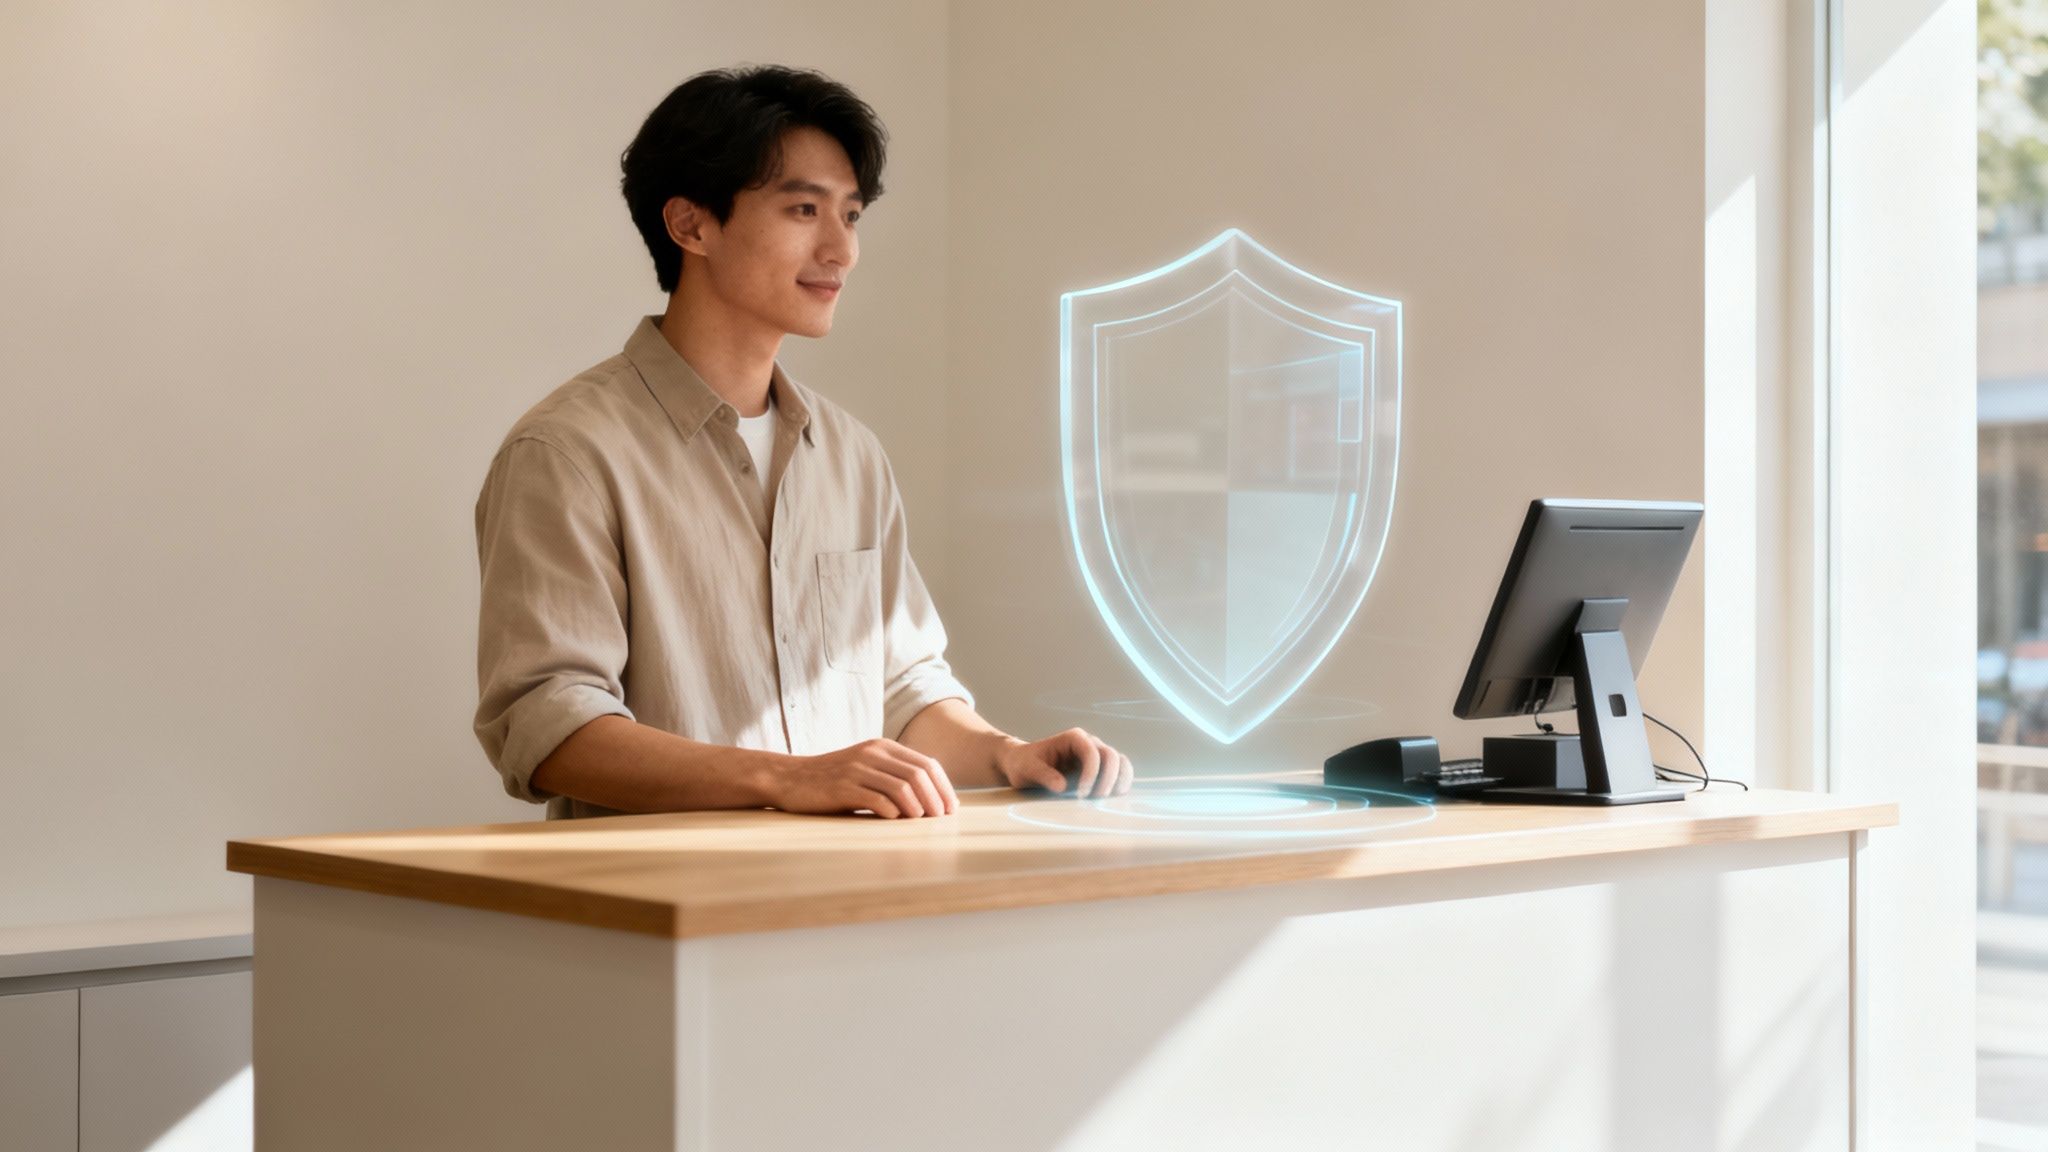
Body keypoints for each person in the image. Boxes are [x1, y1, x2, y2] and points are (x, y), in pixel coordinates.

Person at [472, 65, 1134, 820]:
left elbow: (901, 689)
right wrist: (784, 778)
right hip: (659, 916)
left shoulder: (851, 455)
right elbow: (546, 723)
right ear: (691, 225)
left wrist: (1005, 753)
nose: (841, 250)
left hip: (844, 906)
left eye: (850, 216)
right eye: (802, 209)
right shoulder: (568, 454)